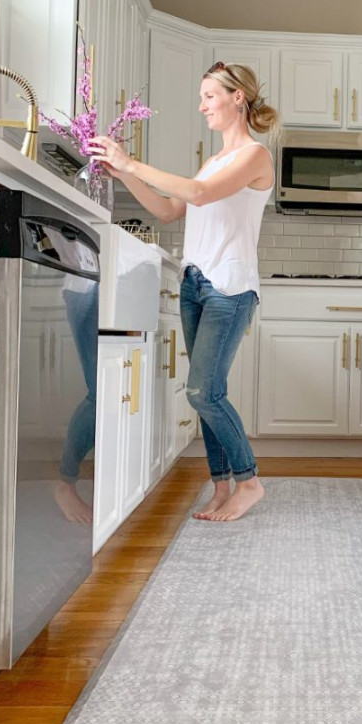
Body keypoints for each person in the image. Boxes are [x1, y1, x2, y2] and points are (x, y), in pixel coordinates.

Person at [88, 61, 279, 522]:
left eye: (209, 96)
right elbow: (170, 209)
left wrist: (133, 161)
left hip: (229, 288)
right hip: (195, 284)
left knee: (202, 392)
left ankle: (249, 482)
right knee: (209, 390)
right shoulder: (213, 161)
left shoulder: (255, 156)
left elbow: (196, 194)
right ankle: (219, 487)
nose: (202, 106)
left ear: (238, 98)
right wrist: (126, 174)